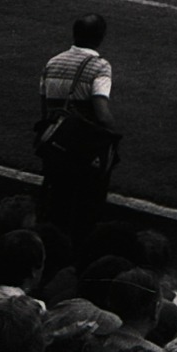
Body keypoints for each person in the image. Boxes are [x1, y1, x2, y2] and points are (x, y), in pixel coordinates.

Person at [36, 16, 119, 242]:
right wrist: (115, 133)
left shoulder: (52, 63)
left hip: (55, 146)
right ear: (100, 38)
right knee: (83, 210)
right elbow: (101, 112)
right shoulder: (99, 66)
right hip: (82, 150)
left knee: (55, 207)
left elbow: (45, 111)